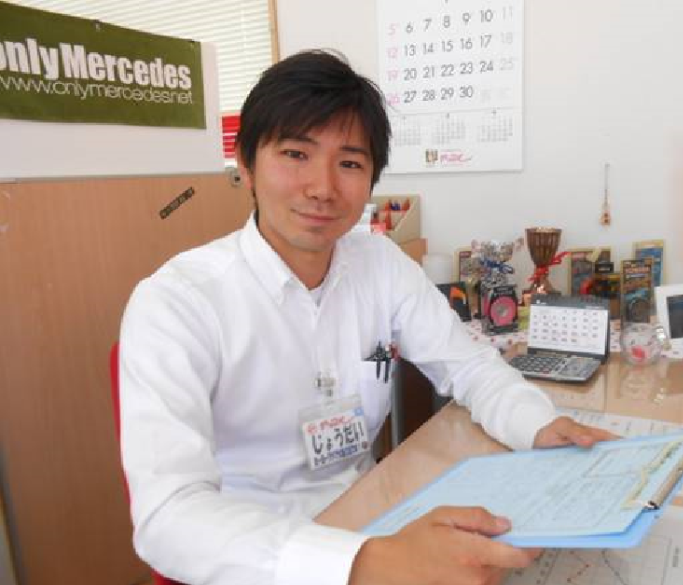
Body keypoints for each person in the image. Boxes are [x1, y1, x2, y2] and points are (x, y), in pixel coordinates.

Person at [119, 49, 613, 585]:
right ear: (245, 163)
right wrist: (361, 563)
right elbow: (168, 517)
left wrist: (538, 424)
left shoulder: (378, 262)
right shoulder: (178, 301)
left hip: (375, 516)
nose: (322, 188)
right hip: (260, 556)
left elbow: (469, 366)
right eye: (295, 154)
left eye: (350, 163)